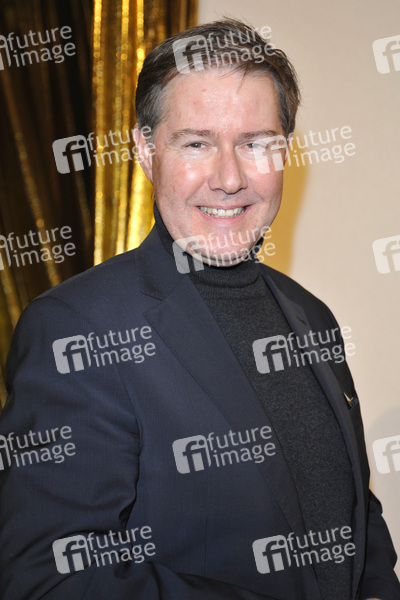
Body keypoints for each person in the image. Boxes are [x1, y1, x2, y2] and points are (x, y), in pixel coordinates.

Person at [0, 18, 399, 600]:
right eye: (196, 143)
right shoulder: (75, 328)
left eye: (256, 144)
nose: (230, 178)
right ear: (145, 150)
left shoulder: (312, 317)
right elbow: (52, 579)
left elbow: (357, 518)